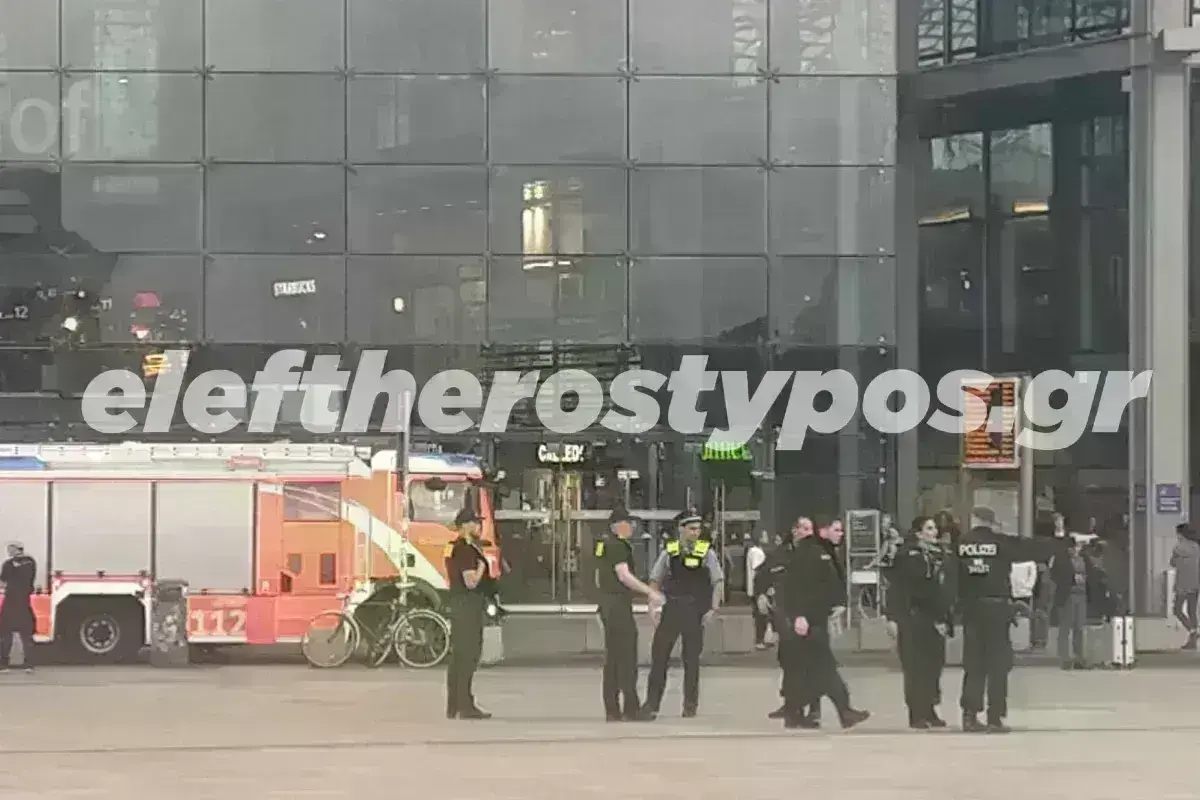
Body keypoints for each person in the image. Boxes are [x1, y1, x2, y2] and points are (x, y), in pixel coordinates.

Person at [952, 524, 1060, 733]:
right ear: (991, 524)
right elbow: (1032, 548)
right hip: (997, 610)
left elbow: (952, 578)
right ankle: (995, 717)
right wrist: (1061, 542)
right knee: (998, 666)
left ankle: (969, 716)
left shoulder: (960, 545)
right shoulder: (1000, 543)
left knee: (974, 666)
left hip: (972, 611)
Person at [777, 516, 870, 730]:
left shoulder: (822, 551)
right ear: (823, 530)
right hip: (810, 619)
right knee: (824, 667)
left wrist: (837, 604)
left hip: (817, 617)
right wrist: (799, 615)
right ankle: (843, 711)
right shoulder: (810, 552)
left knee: (811, 668)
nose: (841, 534)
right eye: (836, 530)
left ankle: (795, 711)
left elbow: (829, 584)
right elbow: (797, 586)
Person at [640, 512, 724, 719]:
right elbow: (655, 579)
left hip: (695, 611)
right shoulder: (669, 551)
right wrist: (653, 606)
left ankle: (690, 705)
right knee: (659, 658)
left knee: (691, 661)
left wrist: (713, 608)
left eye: (698, 529)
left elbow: (718, 581)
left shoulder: (707, 553)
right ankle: (651, 704)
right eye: (691, 529)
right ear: (681, 530)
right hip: (672, 609)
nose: (696, 533)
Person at [594, 507, 663, 721]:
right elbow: (624, 576)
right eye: (628, 523)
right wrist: (650, 592)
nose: (632, 527)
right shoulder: (618, 545)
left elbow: (598, 575)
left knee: (613, 658)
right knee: (626, 657)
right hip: (618, 605)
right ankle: (631, 708)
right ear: (616, 525)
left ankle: (612, 709)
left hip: (607, 604)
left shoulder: (603, 543)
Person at [889, 517, 953, 728]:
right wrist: (892, 617)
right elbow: (900, 587)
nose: (934, 532)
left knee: (934, 665)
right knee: (916, 667)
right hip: (914, 617)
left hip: (936, 617)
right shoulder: (907, 555)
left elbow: (944, 589)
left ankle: (930, 708)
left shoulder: (941, 554)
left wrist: (945, 617)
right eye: (929, 528)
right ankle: (916, 713)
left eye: (935, 528)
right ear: (918, 533)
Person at [443, 508, 492, 720]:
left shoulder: (456, 547)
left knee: (458, 657)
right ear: (464, 525)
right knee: (468, 655)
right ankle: (465, 705)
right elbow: (471, 582)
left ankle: (454, 704)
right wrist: (482, 566)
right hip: (468, 606)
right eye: (475, 522)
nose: (478, 526)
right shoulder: (464, 550)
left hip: (459, 605)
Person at [1050, 533, 1103, 669]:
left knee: (1079, 627)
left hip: (1081, 595)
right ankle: (1065, 658)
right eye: (1074, 547)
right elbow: (1055, 575)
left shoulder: (1084, 558)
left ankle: (1079, 657)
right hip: (1067, 595)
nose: (1075, 549)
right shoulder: (1060, 558)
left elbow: (1091, 574)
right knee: (1065, 627)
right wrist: (1071, 579)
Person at [0, 541, 36, 672]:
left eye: (10, 549)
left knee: (22, 635)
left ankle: (25, 664)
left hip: (17, 602)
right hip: (17, 602)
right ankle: (8, 664)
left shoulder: (28, 562)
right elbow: (3, 578)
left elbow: (6, 579)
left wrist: (14, 569)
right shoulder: (12, 563)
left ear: (17, 549)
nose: (8, 551)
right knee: (8, 634)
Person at [1170, 523, 1200, 650]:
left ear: (1180, 534)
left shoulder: (1178, 548)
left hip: (1182, 584)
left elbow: (1172, 563)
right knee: (1191, 611)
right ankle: (1193, 640)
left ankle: (1193, 631)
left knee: (1177, 610)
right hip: (1195, 583)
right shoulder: (1196, 547)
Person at [746, 531, 771, 650]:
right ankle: (759, 640)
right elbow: (757, 569)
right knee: (761, 615)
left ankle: (764, 639)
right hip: (759, 588)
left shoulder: (754, 551)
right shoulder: (756, 552)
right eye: (765, 535)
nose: (767, 537)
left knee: (763, 614)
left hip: (756, 587)